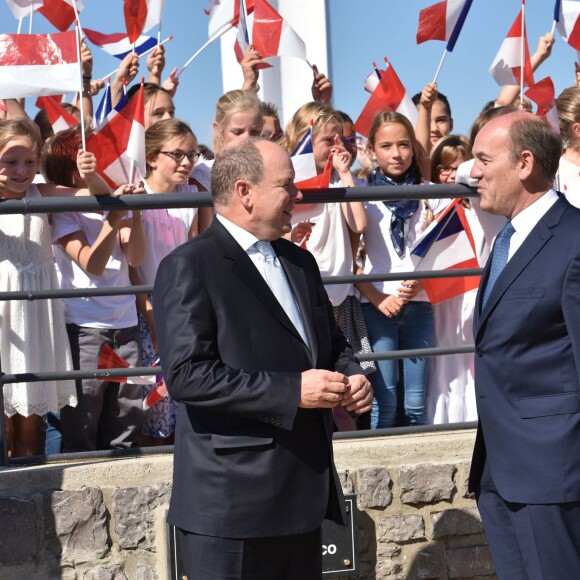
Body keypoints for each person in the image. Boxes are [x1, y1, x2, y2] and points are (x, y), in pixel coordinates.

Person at [153, 138, 372, 579]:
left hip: (302, 497)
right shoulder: (189, 266)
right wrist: (294, 391)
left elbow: (332, 344)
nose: (299, 195)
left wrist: (351, 375)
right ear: (244, 192)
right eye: (286, 185)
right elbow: (187, 376)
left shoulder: (299, 262)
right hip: (232, 505)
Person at [468, 112, 580, 576]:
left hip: (553, 472)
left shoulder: (573, 240)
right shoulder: (507, 239)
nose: (472, 172)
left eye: (483, 159)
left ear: (525, 164)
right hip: (500, 466)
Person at [0, 118, 109, 457]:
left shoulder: (41, 192)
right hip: (4, 315)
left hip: (35, 318)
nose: (22, 171)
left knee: (31, 420)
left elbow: (99, 195)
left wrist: (90, 174)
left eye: (30, 162)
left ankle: (29, 493)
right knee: (3, 422)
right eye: (11, 161)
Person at [356, 111, 443, 429]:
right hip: (378, 306)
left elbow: (447, 249)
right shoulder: (362, 195)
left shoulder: (430, 193)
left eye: (404, 145)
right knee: (386, 399)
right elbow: (350, 261)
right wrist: (378, 298)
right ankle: (379, 471)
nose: (396, 153)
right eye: (387, 145)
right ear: (372, 150)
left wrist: (424, 282)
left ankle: (421, 473)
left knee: (416, 402)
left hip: (420, 305)